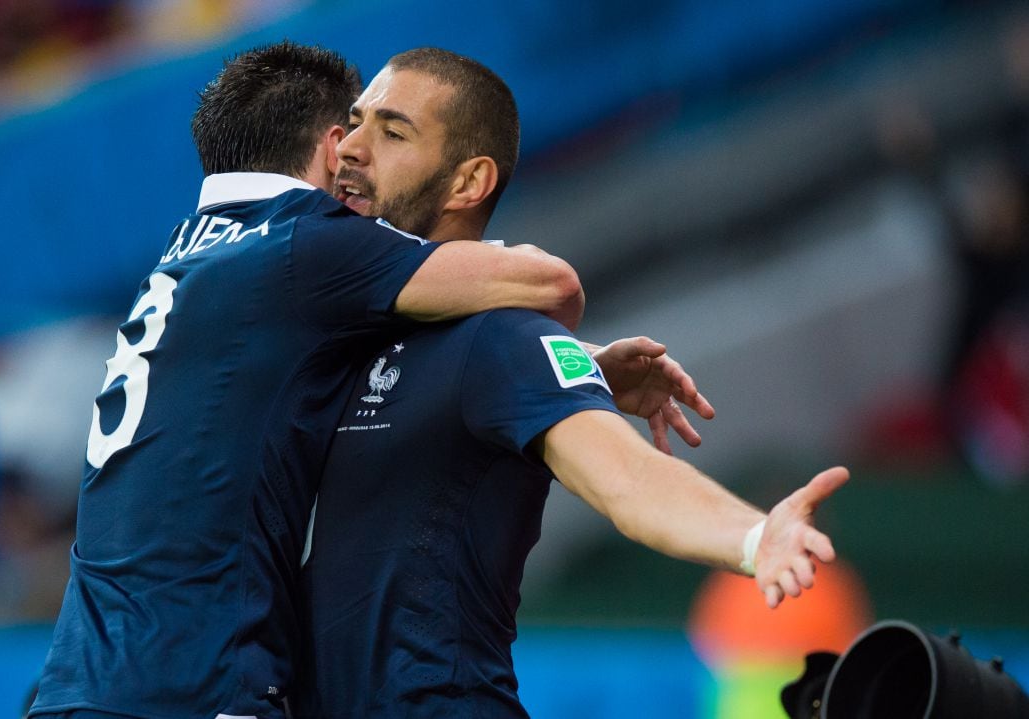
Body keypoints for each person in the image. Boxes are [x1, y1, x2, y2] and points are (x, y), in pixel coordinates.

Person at [27, 42, 590, 719]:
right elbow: (551, 283)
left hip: (77, 680)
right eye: (357, 128)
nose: (361, 151)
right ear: (333, 145)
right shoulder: (304, 242)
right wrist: (577, 365)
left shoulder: (185, 255)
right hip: (193, 685)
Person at [299, 48, 849, 717]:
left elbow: (629, 481)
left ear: (467, 182)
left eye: (392, 131)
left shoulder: (506, 341)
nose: (349, 148)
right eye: (353, 123)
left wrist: (755, 538)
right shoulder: (344, 329)